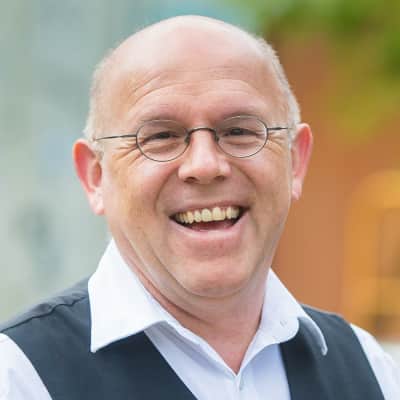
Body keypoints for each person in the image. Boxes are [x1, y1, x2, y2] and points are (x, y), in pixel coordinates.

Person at [0, 15, 399, 400]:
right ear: (95, 176)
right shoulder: (20, 379)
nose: (205, 166)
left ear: (295, 160)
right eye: (161, 136)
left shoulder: (373, 372)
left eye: (239, 131)